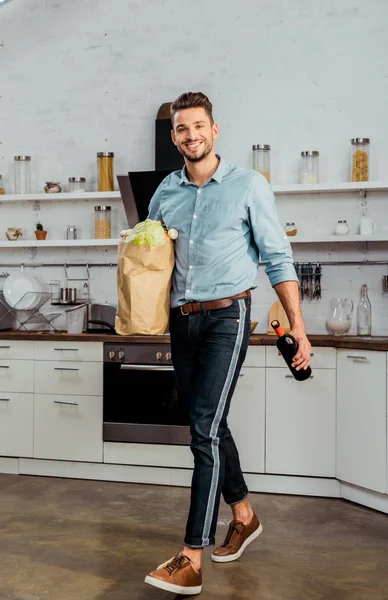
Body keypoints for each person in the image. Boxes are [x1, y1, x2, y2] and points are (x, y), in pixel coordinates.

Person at [144, 92, 312, 595]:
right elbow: (154, 258)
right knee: (208, 422)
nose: (190, 135)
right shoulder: (164, 193)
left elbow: (278, 258)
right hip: (182, 320)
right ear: (174, 137)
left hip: (227, 317)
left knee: (203, 426)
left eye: (198, 126)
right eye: (181, 129)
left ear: (214, 130)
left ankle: (191, 554)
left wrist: (298, 325)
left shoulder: (247, 185)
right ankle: (243, 514)